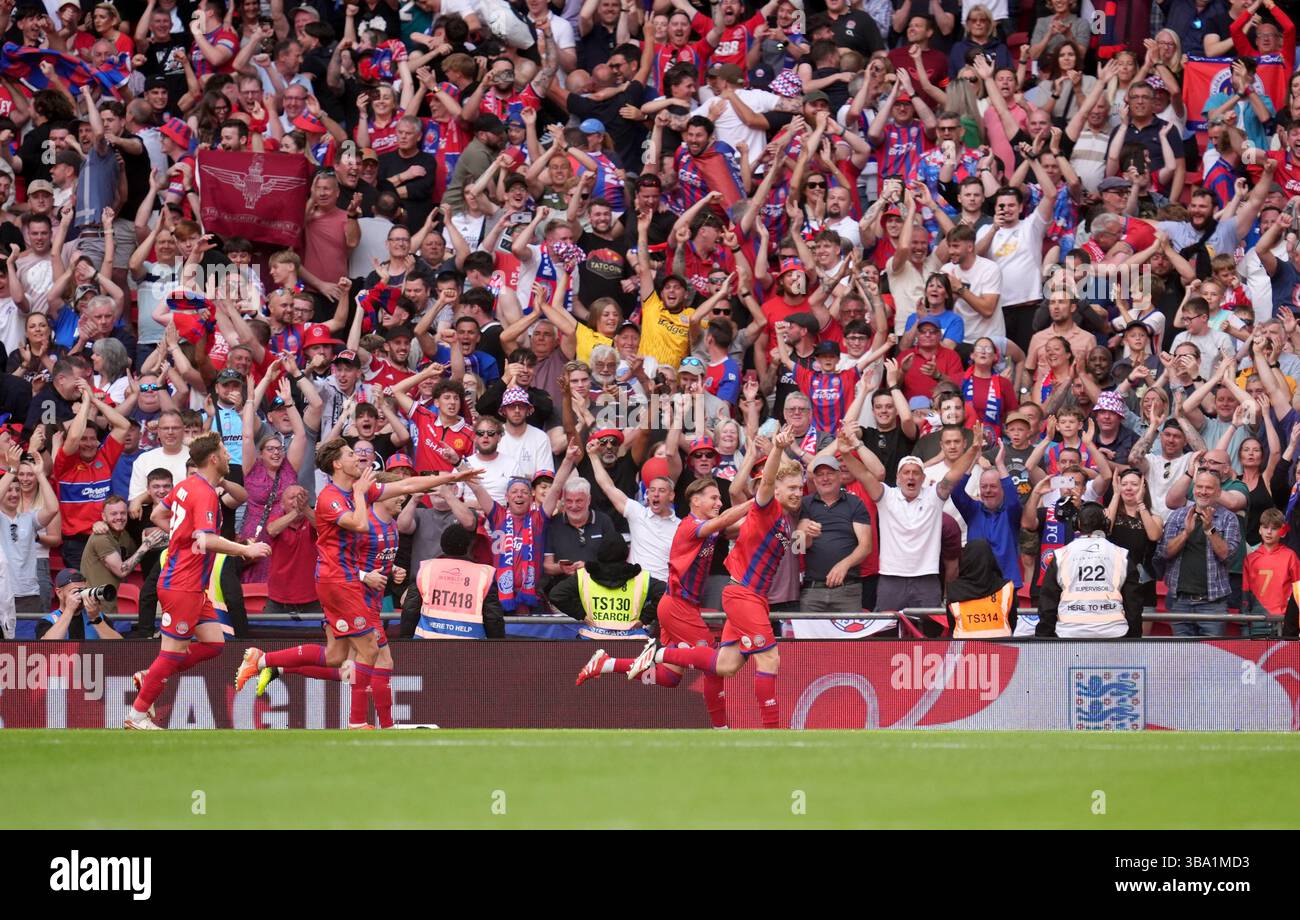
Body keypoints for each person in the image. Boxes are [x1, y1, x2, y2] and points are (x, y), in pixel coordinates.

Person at [631, 426, 805, 729]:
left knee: (725, 666)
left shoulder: (782, 519)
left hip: (753, 598)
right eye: (791, 487)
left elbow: (736, 526)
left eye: (800, 488)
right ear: (775, 490)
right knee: (770, 660)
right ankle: (774, 733)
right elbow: (762, 486)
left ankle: (661, 654)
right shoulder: (767, 507)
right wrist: (776, 449)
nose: (797, 492)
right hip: (743, 595)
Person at [124, 433, 273, 730]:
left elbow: (157, 513)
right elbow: (205, 539)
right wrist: (245, 549)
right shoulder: (203, 492)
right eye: (224, 452)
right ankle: (137, 715)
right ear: (214, 459)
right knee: (172, 652)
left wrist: (181, 537)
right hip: (182, 583)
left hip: (193, 584)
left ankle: (149, 676)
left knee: (214, 644)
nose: (229, 457)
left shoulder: (186, 486)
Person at [575, 479, 750, 730]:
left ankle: (607, 663)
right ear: (696, 501)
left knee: (669, 677)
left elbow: (736, 526)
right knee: (714, 663)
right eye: (714, 498)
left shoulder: (707, 527)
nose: (719, 503)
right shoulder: (691, 526)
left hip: (677, 605)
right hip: (678, 606)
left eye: (719, 499)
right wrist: (756, 502)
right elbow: (724, 521)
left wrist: (767, 514)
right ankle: (720, 729)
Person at [1157, 469, 1243, 637]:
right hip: (1179, 600)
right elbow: (1165, 552)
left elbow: (1227, 554)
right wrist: (1185, 533)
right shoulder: (1177, 516)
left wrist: (1209, 529)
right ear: (1194, 488)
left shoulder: (1229, 519)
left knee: (1212, 657)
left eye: (1209, 488)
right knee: (1183, 656)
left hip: (1213, 603)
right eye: (1199, 486)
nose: (1203, 491)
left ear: (1218, 492)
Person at [1037, 502, 1143, 638]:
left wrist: (1044, 639)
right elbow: (1133, 603)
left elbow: (1047, 604)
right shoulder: (1121, 554)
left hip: (1069, 633)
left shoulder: (1061, 555)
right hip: (1114, 633)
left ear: (1077, 524)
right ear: (1105, 524)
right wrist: (1133, 638)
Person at [796, 456, 873, 613]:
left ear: (839, 476)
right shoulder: (805, 503)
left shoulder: (855, 503)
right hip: (812, 590)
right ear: (814, 480)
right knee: (809, 638)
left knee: (849, 638)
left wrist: (844, 564)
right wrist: (806, 534)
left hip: (847, 589)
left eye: (829, 473)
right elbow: (796, 547)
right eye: (819, 474)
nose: (825, 478)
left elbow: (866, 546)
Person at [406, 522, 506, 639]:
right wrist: (498, 646)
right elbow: (493, 617)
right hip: (470, 647)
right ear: (468, 546)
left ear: (442, 545)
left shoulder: (427, 568)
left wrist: (406, 641)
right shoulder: (483, 574)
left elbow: (410, 610)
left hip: (427, 645)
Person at [944, 540, 1015, 639]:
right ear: (991, 559)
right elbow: (1013, 621)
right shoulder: (1006, 587)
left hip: (966, 649)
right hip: (1002, 647)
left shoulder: (954, 589)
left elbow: (951, 624)